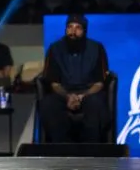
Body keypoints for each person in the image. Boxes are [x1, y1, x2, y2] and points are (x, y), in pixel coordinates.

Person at [40, 14, 109, 143]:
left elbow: (99, 83)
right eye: (70, 27)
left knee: (96, 104)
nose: (73, 31)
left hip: (89, 93)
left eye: (78, 28)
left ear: (84, 31)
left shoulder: (96, 48)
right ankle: (61, 149)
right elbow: (54, 84)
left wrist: (82, 96)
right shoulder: (55, 48)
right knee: (48, 104)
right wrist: (68, 97)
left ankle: (90, 149)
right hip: (62, 93)